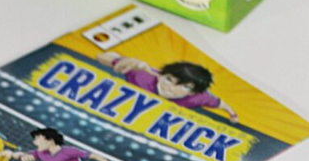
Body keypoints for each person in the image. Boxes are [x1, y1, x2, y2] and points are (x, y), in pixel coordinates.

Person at [98, 52, 238, 123]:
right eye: (169, 79)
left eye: (185, 87)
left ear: (193, 92)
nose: (170, 87)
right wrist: (125, 61)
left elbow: (222, 104)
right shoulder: (143, 75)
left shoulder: (198, 97)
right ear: (160, 76)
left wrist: (233, 115)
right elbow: (102, 56)